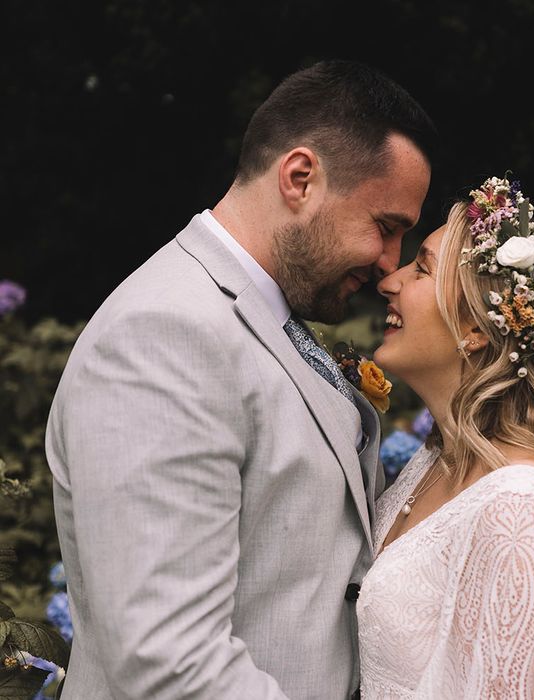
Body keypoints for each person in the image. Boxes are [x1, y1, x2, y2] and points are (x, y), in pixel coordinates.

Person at [44, 59, 437, 699]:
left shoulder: (258, 313)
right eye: (386, 227)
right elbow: (169, 658)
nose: (389, 263)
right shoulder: (163, 336)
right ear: (300, 177)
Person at [357, 173, 534, 698]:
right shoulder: (438, 461)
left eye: (421, 268)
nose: (389, 280)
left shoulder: (525, 513)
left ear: (475, 328)